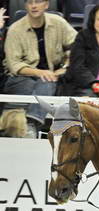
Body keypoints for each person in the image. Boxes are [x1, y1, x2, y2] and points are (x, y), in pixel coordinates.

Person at [0, 0, 76, 138]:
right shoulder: (15, 29)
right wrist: (40, 72)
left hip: (52, 75)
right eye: (30, 2)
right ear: (25, 5)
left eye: (38, 1)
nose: (34, 6)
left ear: (46, 4)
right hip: (21, 77)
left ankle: (29, 124)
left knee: (48, 81)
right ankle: (30, 124)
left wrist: (64, 68)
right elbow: (13, 64)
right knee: (43, 82)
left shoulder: (58, 22)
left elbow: (77, 47)